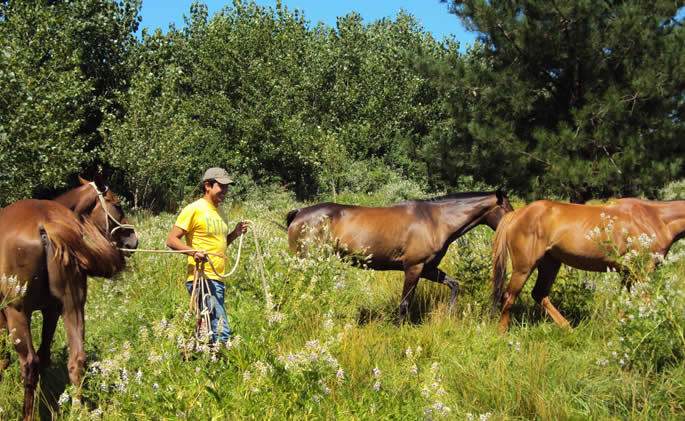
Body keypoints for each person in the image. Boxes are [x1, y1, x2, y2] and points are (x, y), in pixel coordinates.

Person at [166, 167, 249, 345]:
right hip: (202, 277)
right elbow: (171, 239)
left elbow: (220, 243)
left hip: (217, 278)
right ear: (208, 186)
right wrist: (192, 252)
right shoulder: (194, 209)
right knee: (221, 330)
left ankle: (195, 356)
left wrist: (235, 233)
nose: (225, 191)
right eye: (222, 186)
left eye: (227, 187)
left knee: (209, 327)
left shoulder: (220, 212)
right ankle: (222, 365)